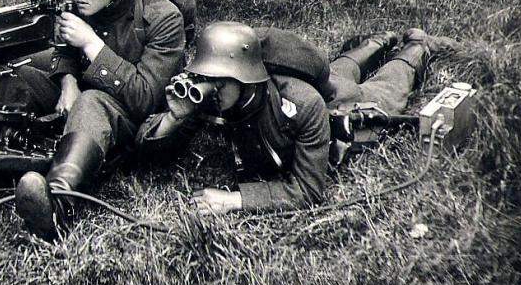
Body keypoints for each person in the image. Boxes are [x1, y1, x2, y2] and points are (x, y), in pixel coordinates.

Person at [136, 22, 459, 215]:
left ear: (246, 77)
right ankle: (379, 41)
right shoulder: (213, 99)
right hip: (319, 84)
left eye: (221, 80)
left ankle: (415, 47)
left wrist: (235, 200)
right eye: (209, 78)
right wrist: (175, 119)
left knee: (384, 91)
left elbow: (308, 190)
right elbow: (145, 153)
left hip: (333, 105)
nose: (212, 88)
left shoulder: (300, 103)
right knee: (339, 70)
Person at [0, 0, 187, 241]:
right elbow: (64, 48)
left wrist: (91, 43)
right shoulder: (86, 6)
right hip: (86, 93)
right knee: (21, 74)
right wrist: (68, 82)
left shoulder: (163, 20)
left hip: (132, 118)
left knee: (92, 101)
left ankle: (58, 205)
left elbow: (145, 99)